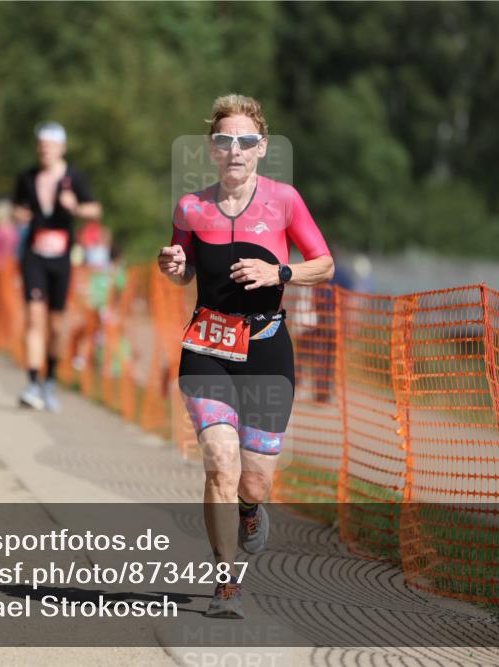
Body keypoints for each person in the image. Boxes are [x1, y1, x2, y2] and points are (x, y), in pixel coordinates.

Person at [157, 94, 334, 618]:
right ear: (212, 149)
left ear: (261, 148)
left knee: (253, 478)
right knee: (219, 462)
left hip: (265, 349)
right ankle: (225, 580)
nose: (235, 151)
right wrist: (173, 264)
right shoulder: (191, 207)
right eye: (224, 141)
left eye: (246, 141)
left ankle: (251, 509)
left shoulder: (284, 201)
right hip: (207, 347)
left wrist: (278, 273)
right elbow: (184, 267)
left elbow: (323, 264)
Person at [13, 122, 102, 411]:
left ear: (61, 148)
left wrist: (75, 206)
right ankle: (32, 383)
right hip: (34, 255)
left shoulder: (74, 177)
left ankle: (50, 379)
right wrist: (19, 214)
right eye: (40, 146)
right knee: (34, 318)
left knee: (56, 324)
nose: (44, 151)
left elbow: (95, 210)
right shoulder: (27, 177)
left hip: (62, 257)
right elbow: (17, 208)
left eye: (50, 146)